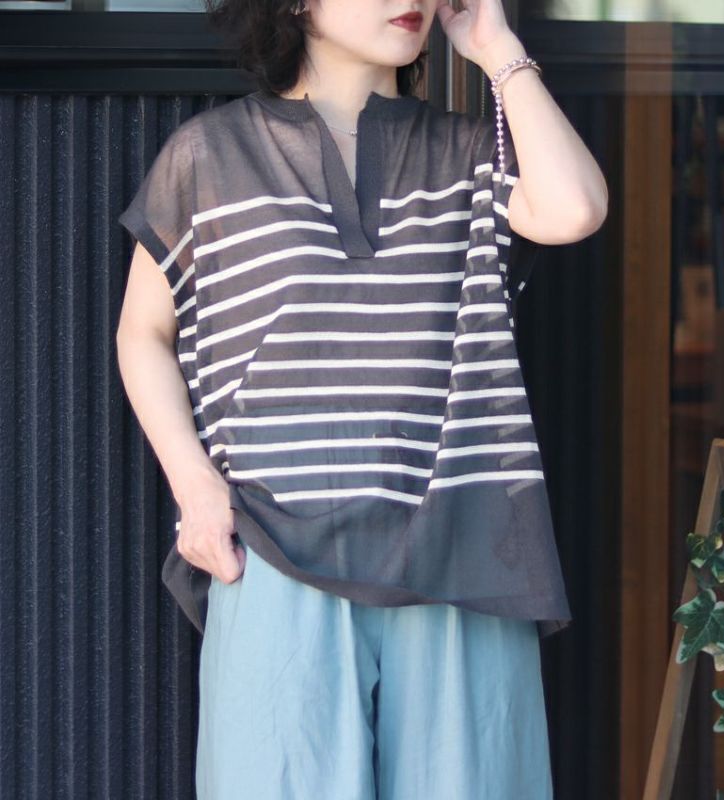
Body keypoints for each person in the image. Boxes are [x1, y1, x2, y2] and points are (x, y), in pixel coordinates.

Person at [115, 1, 607, 797]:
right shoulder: (207, 155)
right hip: (276, 551)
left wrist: (497, 49)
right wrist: (196, 486)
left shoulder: (470, 154)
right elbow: (143, 333)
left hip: (464, 548)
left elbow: (576, 208)